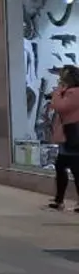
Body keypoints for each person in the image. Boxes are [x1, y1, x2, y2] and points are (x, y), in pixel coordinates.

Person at [49, 65, 79, 211]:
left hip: (72, 135)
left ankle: (59, 200)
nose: (60, 78)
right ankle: (59, 199)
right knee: (63, 168)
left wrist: (57, 92)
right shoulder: (70, 92)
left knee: (71, 169)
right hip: (69, 136)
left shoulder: (74, 93)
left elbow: (59, 106)